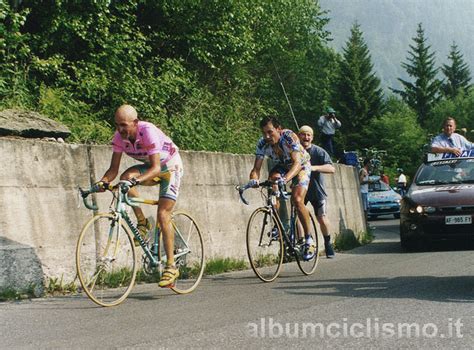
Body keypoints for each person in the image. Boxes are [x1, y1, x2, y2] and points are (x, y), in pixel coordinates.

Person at [96, 104, 183, 288]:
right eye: (117, 125)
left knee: (163, 214)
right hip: (151, 167)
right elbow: (113, 170)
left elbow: (156, 168)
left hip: (170, 167)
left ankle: (171, 266)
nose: (120, 129)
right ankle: (142, 223)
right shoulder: (119, 137)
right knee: (125, 178)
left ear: (135, 123)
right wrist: (102, 182)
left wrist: (137, 181)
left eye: (124, 125)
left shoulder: (148, 131)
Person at [247, 116, 316, 260]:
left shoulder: (289, 136)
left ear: (278, 129)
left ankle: (309, 239)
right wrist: (253, 179)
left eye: (270, 132)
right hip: (283, 167)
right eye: (264, 133)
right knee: (272, 179)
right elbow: (256, 168)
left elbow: (297, 163)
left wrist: (286, 179)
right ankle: (280, 225)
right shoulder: (262, 144)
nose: (267, 136)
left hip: (301, 166)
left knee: (297, 200)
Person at [298, 125, 336, 258]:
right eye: (303, 134)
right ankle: (303, 243)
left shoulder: (319, 152)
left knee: (321, 217)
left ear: (312, 137)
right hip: (300, 189)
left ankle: (328, 243)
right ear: (298, 136)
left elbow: (331, 168)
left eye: (309, 135)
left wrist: (313, 168)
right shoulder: (295, 151)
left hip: (317, 191)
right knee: (298, 216)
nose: (306, 137)